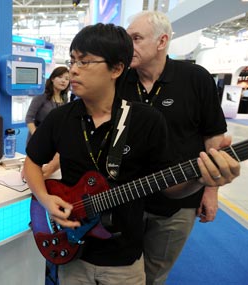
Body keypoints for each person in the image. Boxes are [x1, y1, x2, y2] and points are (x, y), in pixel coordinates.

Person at [24, 22, 239, 285]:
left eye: (85, 61)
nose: (73, 70)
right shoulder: (60, 118)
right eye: (72, 60)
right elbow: (32, 163)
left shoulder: (146, 120)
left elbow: (171, 188)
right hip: (74, 255)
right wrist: (45, 198)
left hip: (123, 259)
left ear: (116, 69)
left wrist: (202, 179)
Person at [124, 11, 231, 285]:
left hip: (180, 200)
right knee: (121, 271)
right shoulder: (121, 81)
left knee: (155, 273)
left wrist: (211, 190)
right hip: (126, 199)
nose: (128, 46)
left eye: (136, 38)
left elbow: (214, 139)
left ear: (161, 42)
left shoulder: (196, 78)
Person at [25, 66, 70, 179]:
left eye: (67, 78)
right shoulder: (41, 96)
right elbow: (29, 118)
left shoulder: (65, 99)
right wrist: (37, 136)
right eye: (60, 77)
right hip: (38, 138)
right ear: (53, 78)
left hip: (55, 141)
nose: (63, 81)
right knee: (35, 172)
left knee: (50, 173)